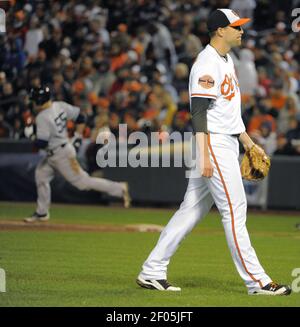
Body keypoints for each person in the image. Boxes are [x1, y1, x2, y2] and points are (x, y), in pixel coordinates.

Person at [136, 9, 291, 296]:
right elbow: (198, 114)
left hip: (225, 141)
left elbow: (228, 113)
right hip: (213, 145)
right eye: (236, 27)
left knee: (191, 211)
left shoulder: (226, 59)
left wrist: (248, 142)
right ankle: (257, 282)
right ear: (220, 30)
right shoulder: (207, 63)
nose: (241, 31)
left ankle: (152, 270)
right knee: (235, 212)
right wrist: (204, 155)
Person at [24, 86, 131, 223]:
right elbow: (81, 117)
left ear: (39, 100)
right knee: (41, 175)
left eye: (34, 100)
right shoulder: (59, 106)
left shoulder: (42, 117)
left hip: (61, 154)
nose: (33, 103)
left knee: (83, 183)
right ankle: (42, 212)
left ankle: (119, 189)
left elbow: (42, 144)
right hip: (57, 152)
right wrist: (78, 136)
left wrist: (31, 136)